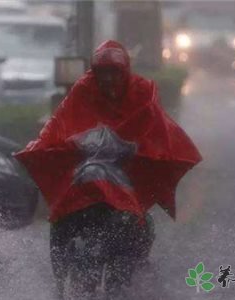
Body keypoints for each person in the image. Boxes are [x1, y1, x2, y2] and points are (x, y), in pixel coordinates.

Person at [15, 40, 202, 296]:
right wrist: (49, 146)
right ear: (95, 74)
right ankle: (60, 282)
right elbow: (60, 123)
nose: (109, 80)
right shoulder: (83, 90)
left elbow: (156, 128)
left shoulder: (143, 91)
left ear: (124, 72)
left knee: (137, 227)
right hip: (85, 174)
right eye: (103, 73)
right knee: (60, 219)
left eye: (114, 73)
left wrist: (131, 146)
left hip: (126, 173)